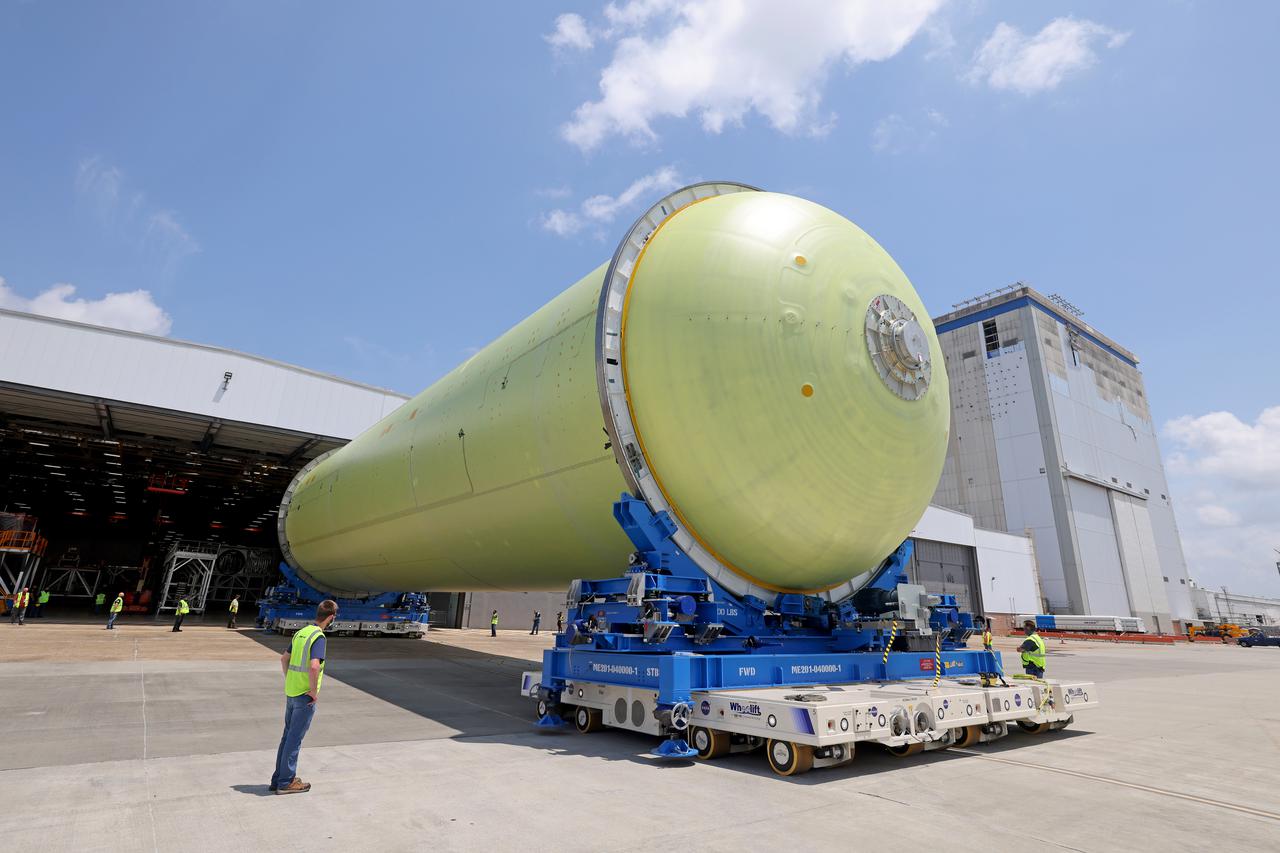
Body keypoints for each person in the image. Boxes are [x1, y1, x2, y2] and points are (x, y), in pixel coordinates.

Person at [270, 599, 338, 795]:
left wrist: (290, 678)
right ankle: (286, 782)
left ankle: (279, 779)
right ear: (331, 617)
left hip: (291, 691)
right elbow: (314, 665)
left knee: (287, 737)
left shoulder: (301, 632)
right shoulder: (319, 636)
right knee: (295, 740)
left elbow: (284, 658)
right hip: (304, 696)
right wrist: (313, 691)